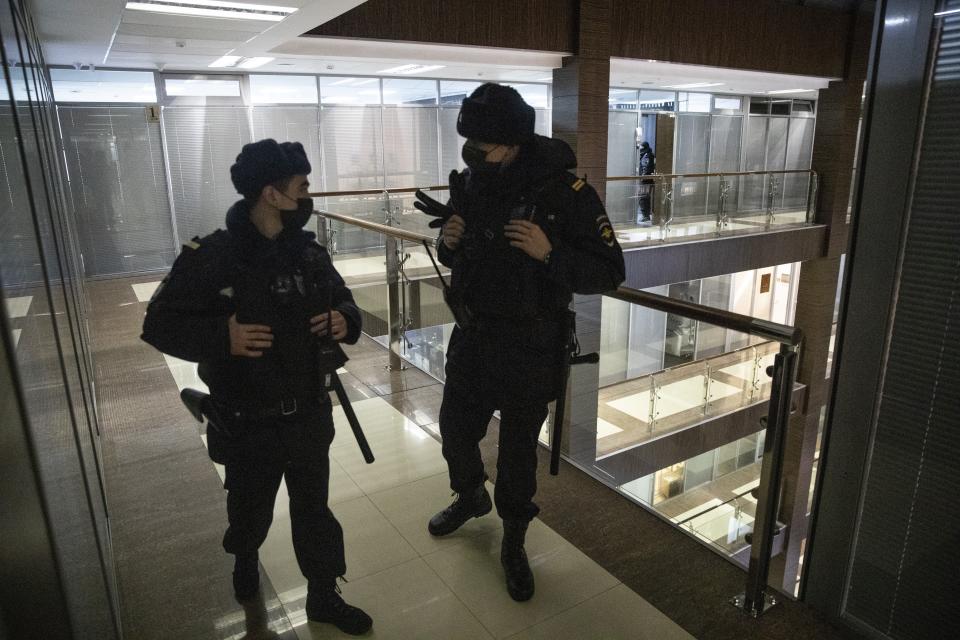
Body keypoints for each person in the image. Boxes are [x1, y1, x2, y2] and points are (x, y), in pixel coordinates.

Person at [141, 139, 372, 636]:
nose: (308, 195)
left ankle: (323, 594)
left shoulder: (308, 254)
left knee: (314, 512)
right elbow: (157, 323)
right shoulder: (212, 257)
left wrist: (343, 319)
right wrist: (220, 336)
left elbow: (346, 301)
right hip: (248, 421)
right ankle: (244, 556)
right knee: (250, 512)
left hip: (309, 413)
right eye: (302, 186)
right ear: (271, 193)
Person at [428, 83, 626, 602]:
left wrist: (549, 253)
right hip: (474, 336)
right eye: (467, 141)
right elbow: (459, 255)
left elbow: (610, 272)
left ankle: (514, 540)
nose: (472, 152)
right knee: (453, 429)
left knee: (517, 455)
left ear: (514, 142)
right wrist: (448, 243)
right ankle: (471, 496)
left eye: (483, 143)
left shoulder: (565, 193)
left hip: (531, 343)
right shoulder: (472, 183)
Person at [637, 141, 656, 225]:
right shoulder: (650, 155)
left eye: (641, 147)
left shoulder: (646, 156)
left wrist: (642, 178)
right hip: (648, 180)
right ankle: (647, 215)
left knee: (642, 197)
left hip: (645, 181)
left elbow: (645, 167)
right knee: (646, 198)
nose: (640, 149)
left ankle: (646, 216)